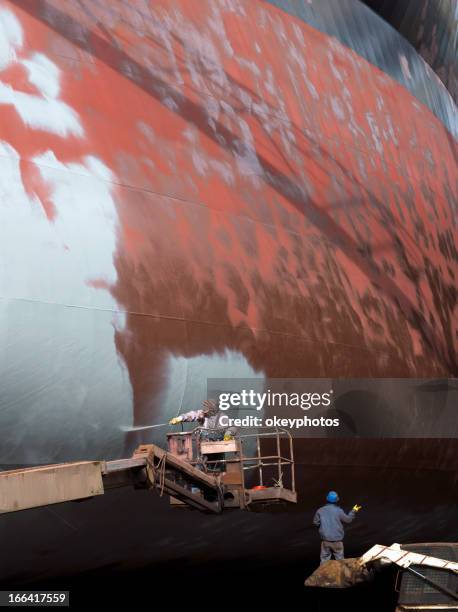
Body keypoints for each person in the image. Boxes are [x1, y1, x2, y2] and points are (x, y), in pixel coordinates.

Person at [169, 399, 236, 472]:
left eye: (207, 407)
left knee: (219, 467)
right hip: (205, 448)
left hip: (218, 448)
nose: (205, 409)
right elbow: (192, 415)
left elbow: (232, 427)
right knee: (200, 466)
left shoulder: (222, 417)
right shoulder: (202, 414)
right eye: (205, 407)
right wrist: (180, 418)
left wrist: (228, 434)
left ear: (212, 408)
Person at [313, 491, 361, 565]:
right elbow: (348, 520)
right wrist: (353, 511)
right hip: (337, 541)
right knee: (340, 561)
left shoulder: (320, 510)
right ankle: (341, 574)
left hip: (325, 540)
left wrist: (324, 526)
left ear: (327, 499)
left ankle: (323, 575)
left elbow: (316, 523)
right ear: (336, 500)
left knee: (324, 561)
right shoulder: (339, 511)